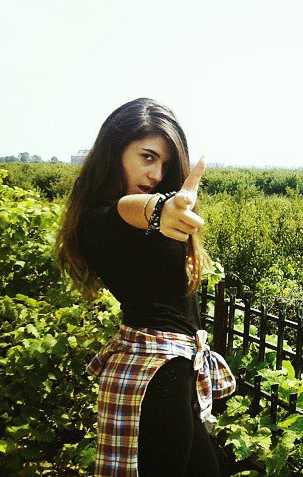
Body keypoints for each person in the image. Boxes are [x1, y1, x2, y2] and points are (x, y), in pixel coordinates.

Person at [55, 98, 236, 477]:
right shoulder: (97, 221)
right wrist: (158, 210)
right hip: (155, 377)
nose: (156, 174)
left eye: (165, 165)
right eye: (147, 157)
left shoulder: (122, 218)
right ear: (114, 152)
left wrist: (162, 212)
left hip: (174, 372)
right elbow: (128, 209)